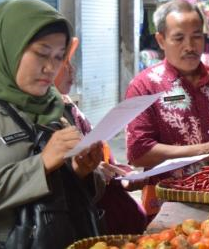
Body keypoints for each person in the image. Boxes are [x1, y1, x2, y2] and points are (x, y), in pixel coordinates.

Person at [0, 0, 105, 248]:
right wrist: (38, 166)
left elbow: (74, 196)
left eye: (59, 56)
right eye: (41, 53)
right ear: (8, 48)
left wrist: (81, 172)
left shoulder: (56, 105)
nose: (51, 67)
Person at [126, 0, 209, 217]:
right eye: (179, 38)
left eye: (197, 37)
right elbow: (138, 153)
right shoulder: (144, 86)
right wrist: (202, 151)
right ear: (161, 40)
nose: (190, 47)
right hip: (168, 202)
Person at [55, 58, 148, 235]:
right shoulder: (46, 119)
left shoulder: (69, 107)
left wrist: (121, 174)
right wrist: (100, 174)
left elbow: (103, 161)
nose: (72, 69)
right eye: (63, 61)